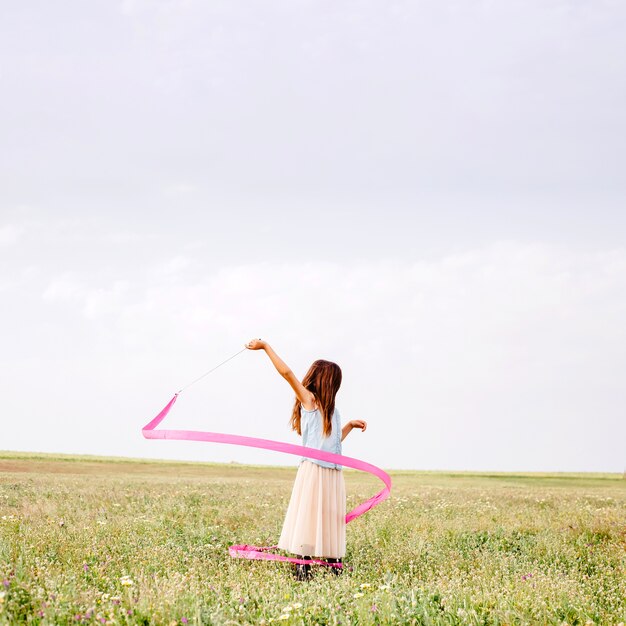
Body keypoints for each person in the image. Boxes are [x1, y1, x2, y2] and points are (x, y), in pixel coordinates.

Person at [245, 338, 367, 580]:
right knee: (310, 516)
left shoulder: (333, 411)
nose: (336, 386)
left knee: (330, 516)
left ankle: (332, 563)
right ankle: (302, 565)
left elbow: (331, 443)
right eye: (334, 381)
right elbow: (287, 373)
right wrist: (266, 347)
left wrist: (350, 425)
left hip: (332, 470)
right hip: (314, 470)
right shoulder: (310, 401)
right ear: (325, 381)